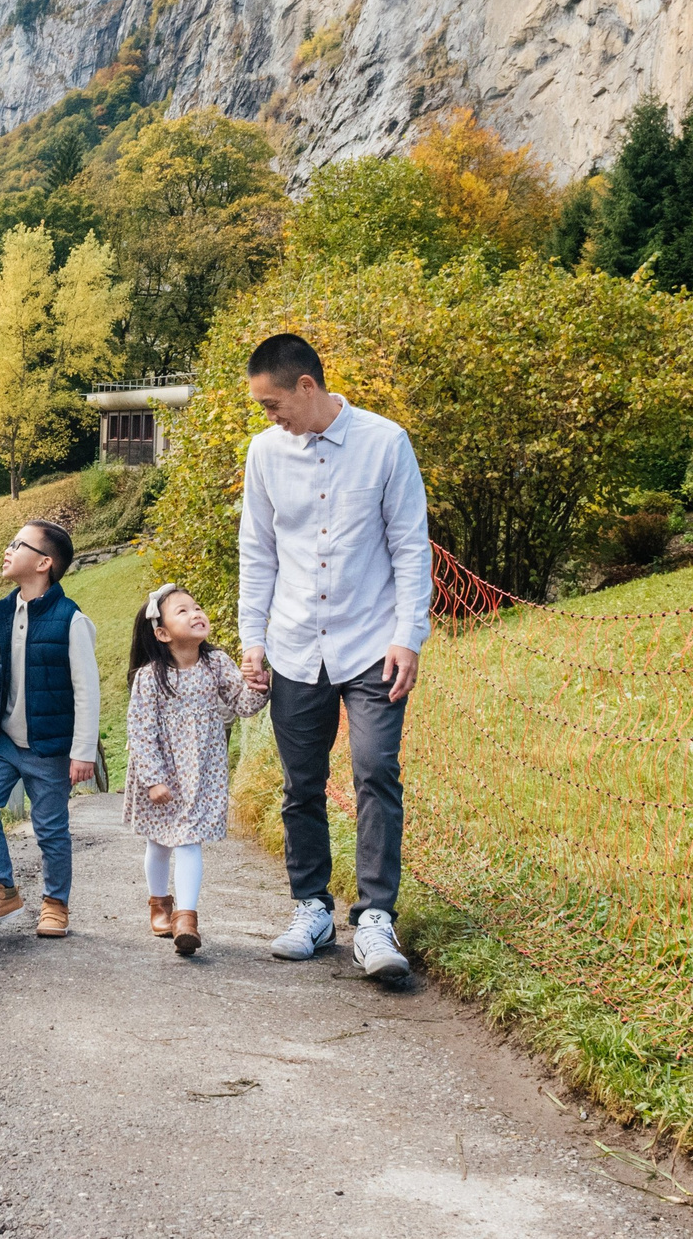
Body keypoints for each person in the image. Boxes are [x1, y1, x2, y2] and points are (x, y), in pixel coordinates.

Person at [236, 332, 432, 981]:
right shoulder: (265, 453)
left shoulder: (385, 442)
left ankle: (375, 916)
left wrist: (409, 635)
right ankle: (312, 907)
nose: (269, 417)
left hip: (373, 642)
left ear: (306, 386)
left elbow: (410, 546)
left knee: (375, 770)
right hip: (295, 644)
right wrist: (253, 638)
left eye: (272, 404)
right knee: (301, 784)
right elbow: (257, 551)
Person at [0, 519, 100, 937]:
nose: (7, 549)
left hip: (50, 747)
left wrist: (83, 751)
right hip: (3, 741)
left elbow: (87, 691)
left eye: (17, 544)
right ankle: (2, 890)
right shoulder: (1, 614)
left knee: (50, 828)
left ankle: (55, 904)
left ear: (43, 563)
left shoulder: (71, 620)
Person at [121, 582, 266, 956]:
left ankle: (186, 919)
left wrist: (259, 685)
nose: (195, 613)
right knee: (159, 842)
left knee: (188, 840)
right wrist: (153, 779)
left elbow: (243, 705)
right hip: (162, 774)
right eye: (182, 611)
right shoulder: (150, 676)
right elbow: (141, 731)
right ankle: (159, 903)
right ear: (162, 634)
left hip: (202, 772)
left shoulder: (216, 664)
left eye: (197, 606)